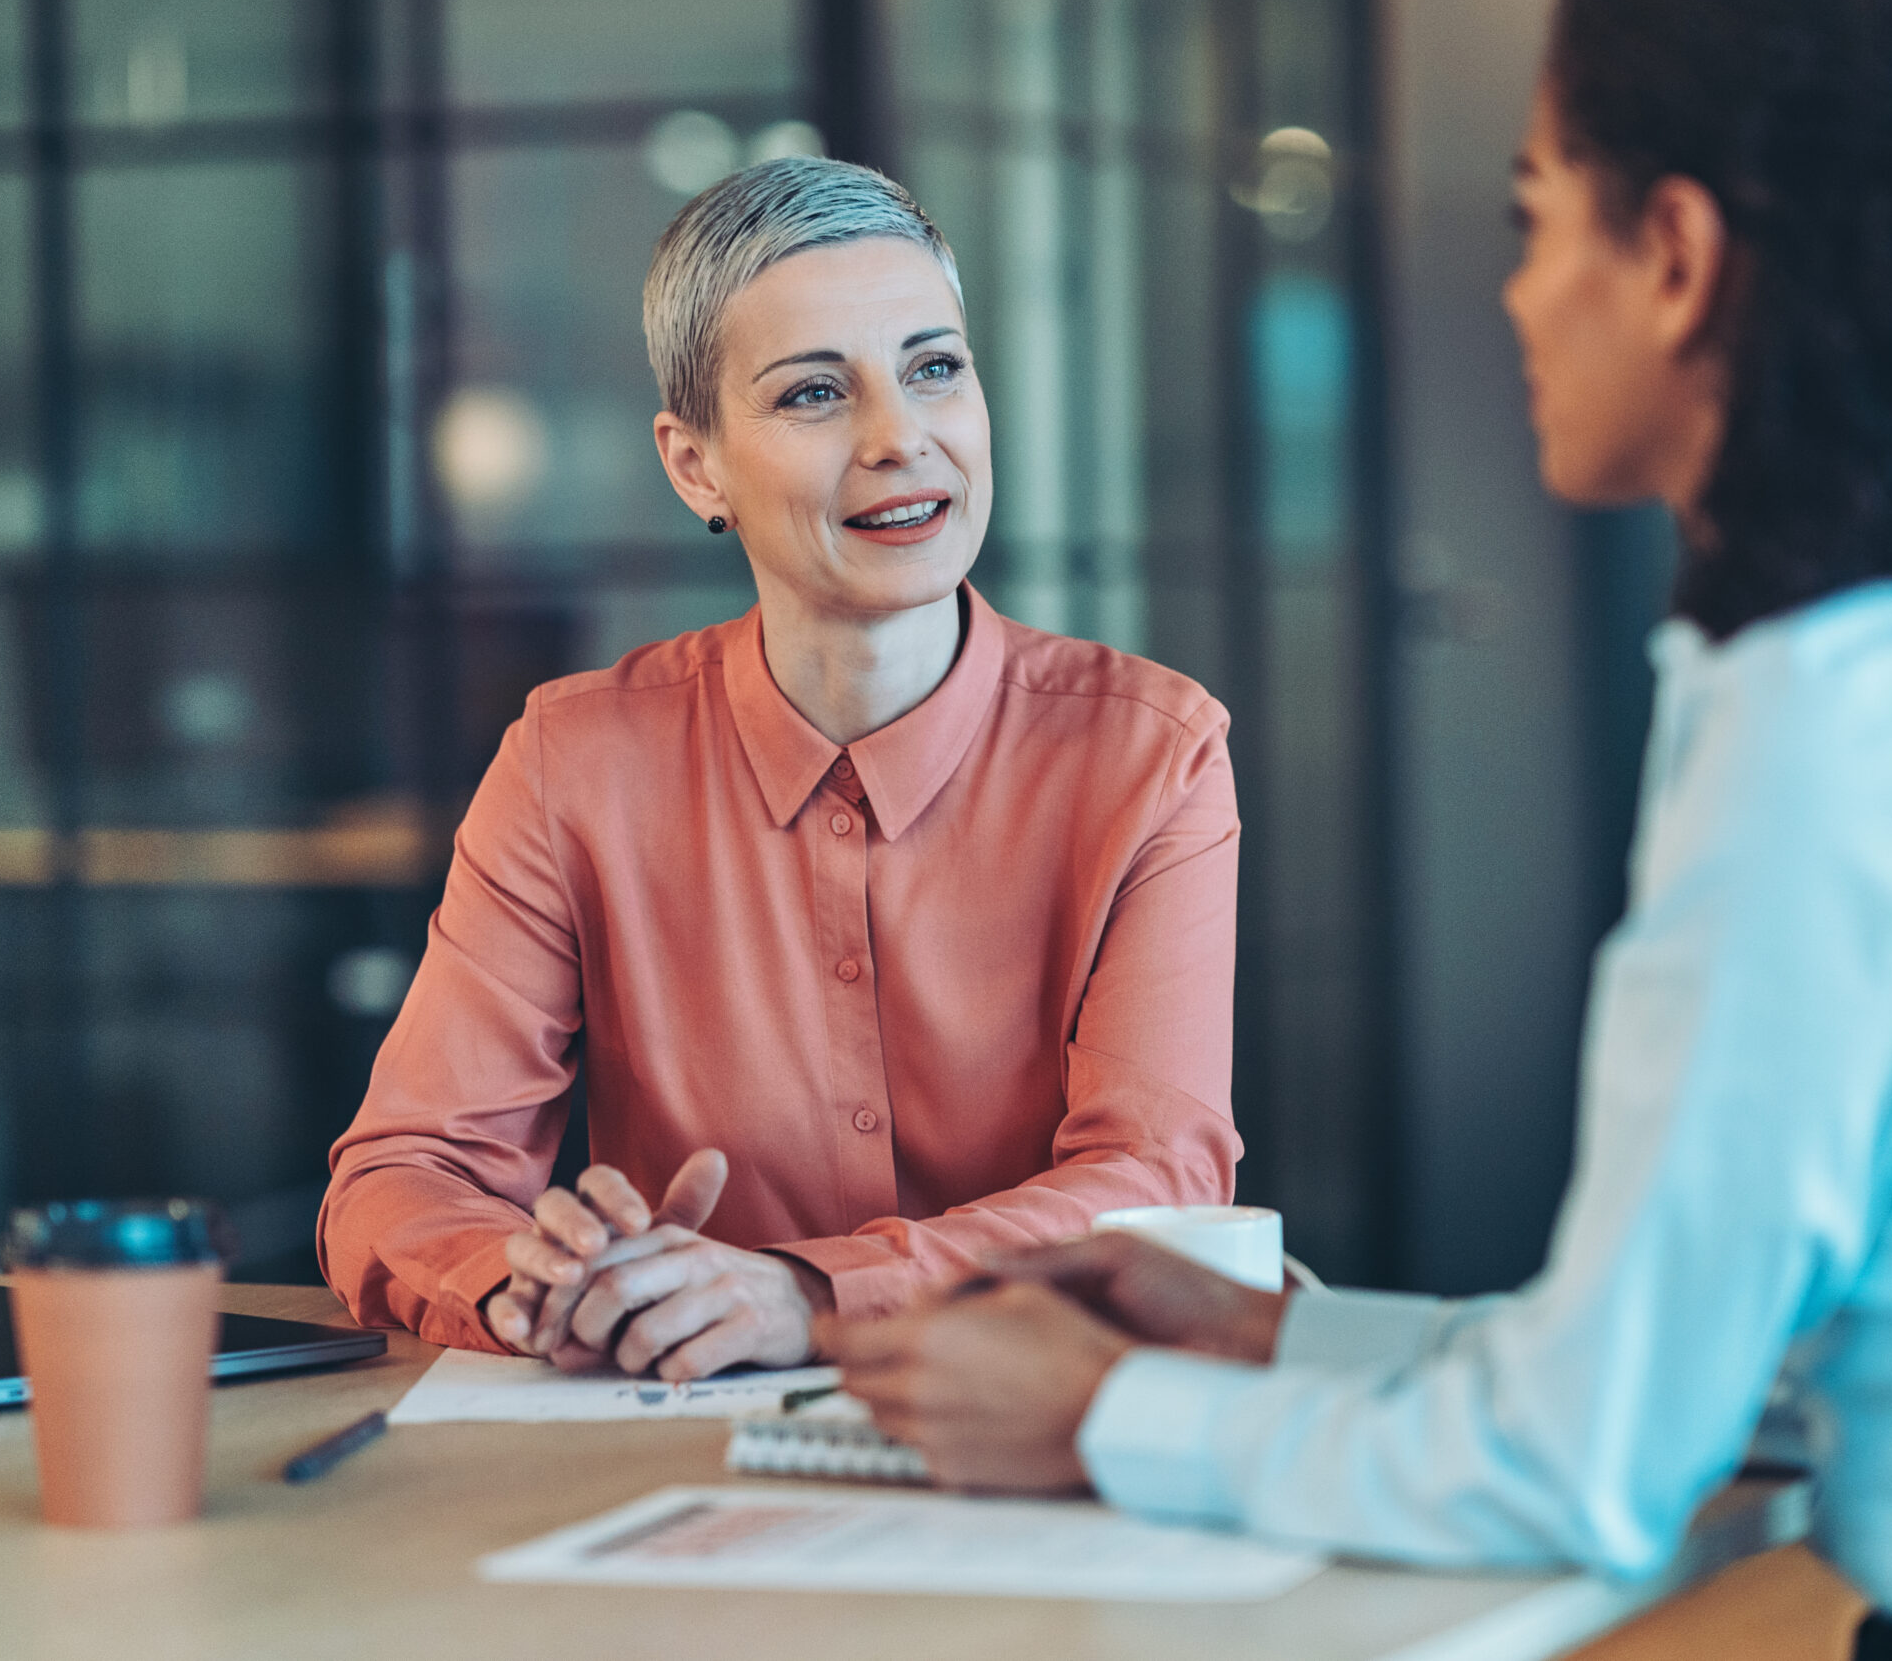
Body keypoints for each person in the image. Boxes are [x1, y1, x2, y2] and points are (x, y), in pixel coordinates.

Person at [829, 0, 1892, 1653]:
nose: (1521, 297)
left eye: (1538, 223)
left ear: (1677, 259)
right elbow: (1736, 1359)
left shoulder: (1835, 735)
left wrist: (1095, 1419)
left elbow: (1586, 1467)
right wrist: (1284, 1342)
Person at [319, 156, 1242, 1380]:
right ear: (696, 465)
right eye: (814, 394)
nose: (898, 438)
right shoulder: (571, 763)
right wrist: (536, 1285)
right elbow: (404, 1175)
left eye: (934, 369)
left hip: (1036, 1429)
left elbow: (1159, 1181)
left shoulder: (1150, 754)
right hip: (671, 1458)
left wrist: (809, 1294)